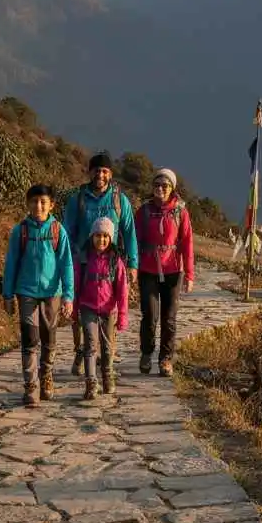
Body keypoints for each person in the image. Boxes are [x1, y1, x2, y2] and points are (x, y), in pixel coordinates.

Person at [62, 152, 138, 375]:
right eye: (96, 170)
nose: (100, 175)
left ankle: (107, 357)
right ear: (89, 172)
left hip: (110, 265)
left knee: (109, 311)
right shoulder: (78, 199)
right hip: (83, 263)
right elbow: (67, 231)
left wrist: (132, 263)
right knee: (79, 311)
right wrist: (65, 261)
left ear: (110, 174)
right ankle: (81, 350)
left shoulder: (119, 200)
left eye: (105, 171)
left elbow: (129, 232)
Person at [2, 184, 74, 407]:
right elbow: (11, 264)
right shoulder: (20, 231)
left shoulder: (57, 231)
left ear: (51, 205)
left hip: (52, 293)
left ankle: (46, 377)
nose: (39, 206)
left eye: (43, 202)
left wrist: (68, 295)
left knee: (49, 338)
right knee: (29, 337)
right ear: (28, 204)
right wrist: (7, 294)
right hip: (26, 293)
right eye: (34, 201)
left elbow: (66, 264)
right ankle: (31, 386)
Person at [135, 167, 194, 376]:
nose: (160, 188)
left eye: (165, 185)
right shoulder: (144, 211)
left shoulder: (180, 211)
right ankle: (146, 353)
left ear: (172, 188)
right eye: (157, 185)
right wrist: (132, 266)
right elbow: (135, 240)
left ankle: (166, 359)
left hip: (172, 271)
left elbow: (187, 243)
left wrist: (189, 274)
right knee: (149, 315)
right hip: (148, 269)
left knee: (169, 317)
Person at [72, 216, 129, 399]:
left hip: (108, 310)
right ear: (91, 236)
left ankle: (107, 376)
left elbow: (122, 291)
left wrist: (122, 315)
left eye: (105, 236)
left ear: (110, 238)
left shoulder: (116, 262)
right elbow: (76, 285)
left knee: (107, 347)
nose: (101, 240)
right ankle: (91, 382)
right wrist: (74, 308)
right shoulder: (83, 259)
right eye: (98, 235)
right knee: (90, 344)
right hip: (87, 307)